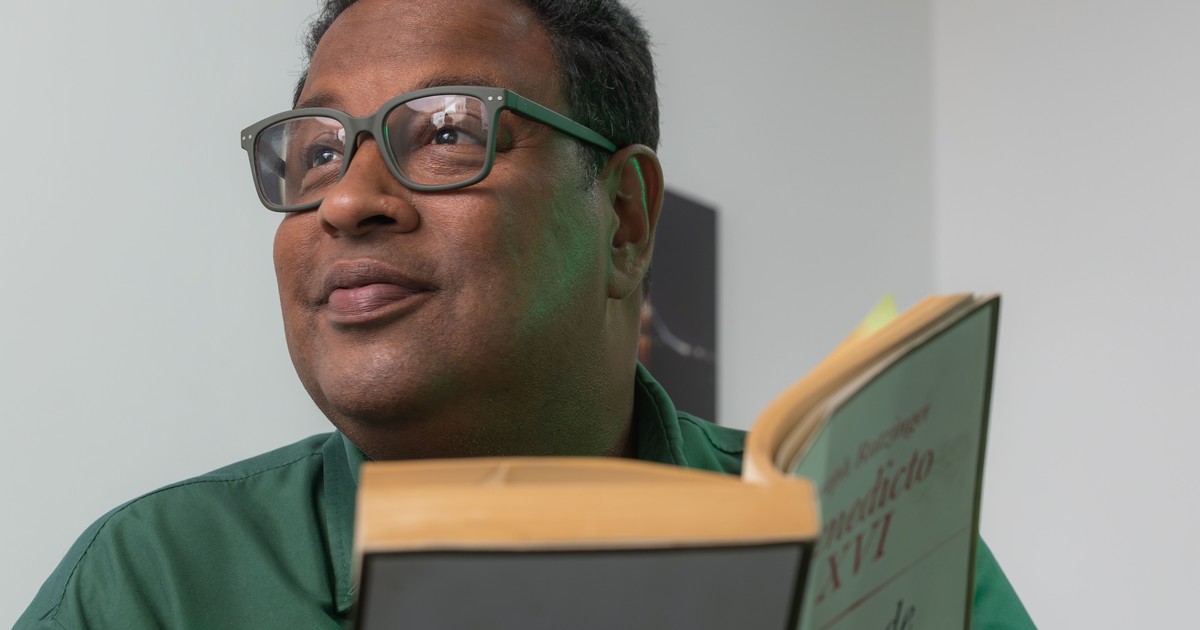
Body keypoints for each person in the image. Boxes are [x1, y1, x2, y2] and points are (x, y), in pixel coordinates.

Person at [17, 0, 1035, 627]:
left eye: (447, 132)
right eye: (318, 151)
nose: (346, 198)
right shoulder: (150, 584)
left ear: (625, 221)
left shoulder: (871, 538)